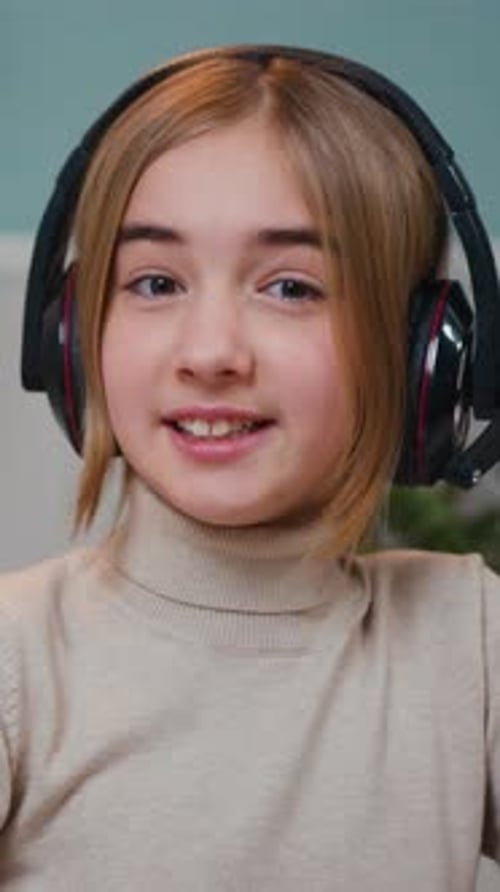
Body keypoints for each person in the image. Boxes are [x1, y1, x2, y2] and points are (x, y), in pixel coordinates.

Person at [1, 45, 499, 890]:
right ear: (74, 339)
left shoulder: (471, 642)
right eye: (155, 283)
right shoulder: (18, 661)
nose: (210, 353)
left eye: (292, 288)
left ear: (422, 356)